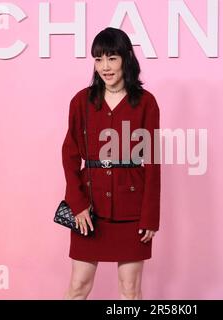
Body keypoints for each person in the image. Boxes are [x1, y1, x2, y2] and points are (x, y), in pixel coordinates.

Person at [61, 27, 161, 300]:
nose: (105, 67)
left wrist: (150, 215)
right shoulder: (81, 101)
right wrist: (77, 204)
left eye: (112, 58)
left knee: (130, 290)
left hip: (132, 212)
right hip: (89, 210)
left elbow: (152, 162)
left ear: (127, 58)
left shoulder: (146, 103)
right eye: (98, 59)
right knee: (78, 286)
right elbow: (69, 155)